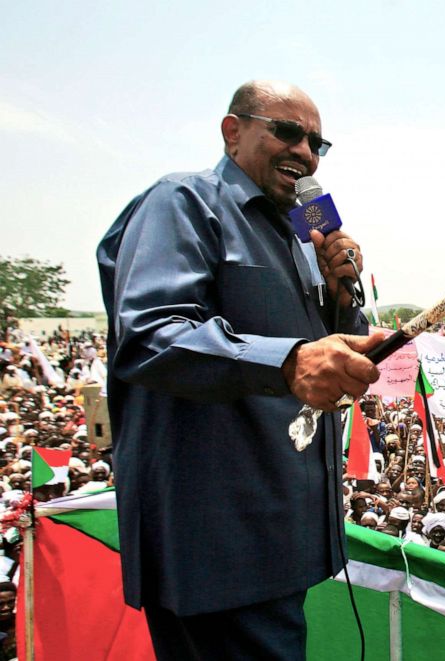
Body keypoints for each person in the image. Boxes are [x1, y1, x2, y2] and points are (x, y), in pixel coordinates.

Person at [97, 80, 380, 659]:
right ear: (233, 131)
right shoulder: (181, 202)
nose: (305, 152)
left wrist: (339, 294)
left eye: (317, 144)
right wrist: (289, 359)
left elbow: (320, 346)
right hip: (217, 542)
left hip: (284, 531)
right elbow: (150, 335)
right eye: (287, 131)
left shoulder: (305, 233)